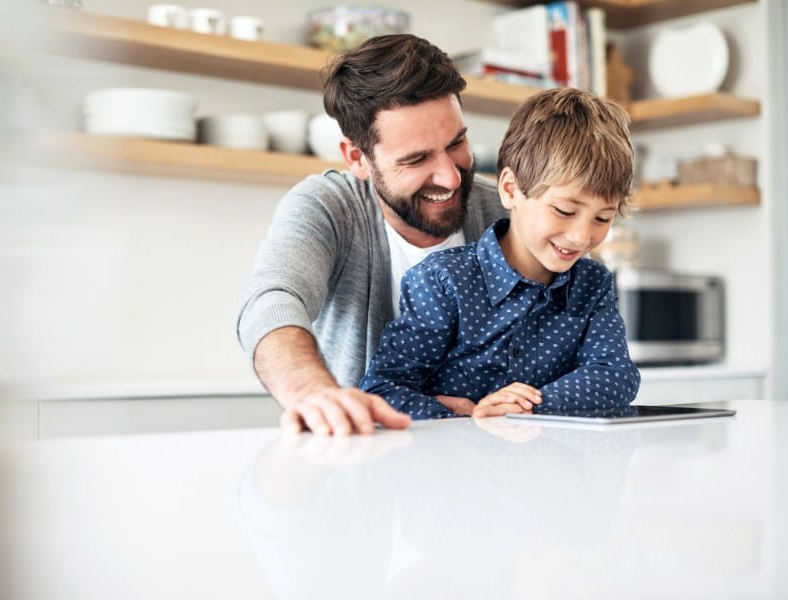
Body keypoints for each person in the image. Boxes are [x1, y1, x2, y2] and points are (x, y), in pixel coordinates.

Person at [235, 34, 507, 435]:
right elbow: (272, 301)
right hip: (363, 463)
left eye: (457, 143)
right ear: (357, 159)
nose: (450, 176)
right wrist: (313, 392)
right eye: (416, 159)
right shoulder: (329, 206)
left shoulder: (503, 212)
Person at [359, 87, 641, 419]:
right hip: (456, 466)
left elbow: (616, 376)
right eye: (565, 211)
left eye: (602, 218)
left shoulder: (593, 285)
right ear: (510, 190)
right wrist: (464, 416)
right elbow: (382, 390)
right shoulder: (443, 281)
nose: (581, 236)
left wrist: (522, 407)